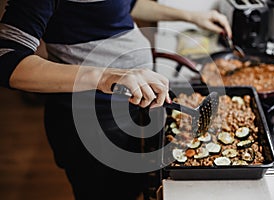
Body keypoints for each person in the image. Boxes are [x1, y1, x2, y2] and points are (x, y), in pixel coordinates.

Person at [0, 0, 231, 199]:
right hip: (91, 120)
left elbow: (127, 5)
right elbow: (7, 59)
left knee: (130, 186)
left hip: (130, 108)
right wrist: (106, 76)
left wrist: (192, 17)